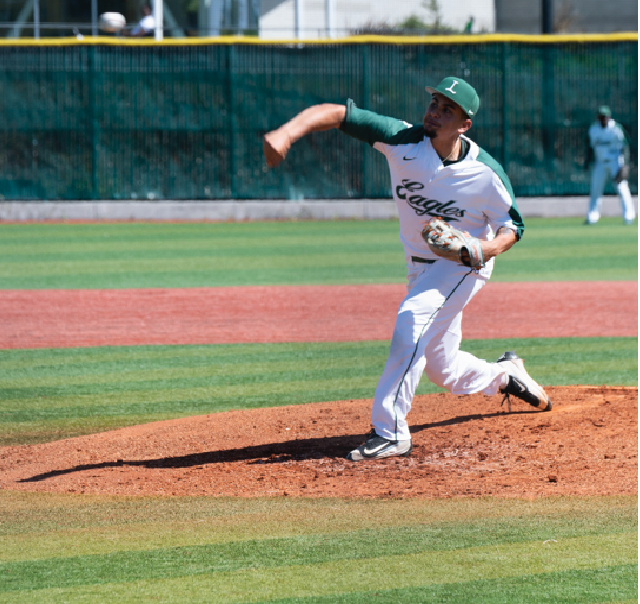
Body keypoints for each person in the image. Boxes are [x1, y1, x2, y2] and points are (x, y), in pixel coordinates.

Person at [263, 76, 552, 462]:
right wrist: (286, 133)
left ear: (464, 124)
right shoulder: (402, 139)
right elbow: (338, 114)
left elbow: (512, 226)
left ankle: (390, 432)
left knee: (411, 321)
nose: (435, 112)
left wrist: (484, 248)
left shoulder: (485, 172)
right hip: (419, 267)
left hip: (463, 265)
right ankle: (505, 375)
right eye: (434, 103)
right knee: (443, 370)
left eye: (447, 109)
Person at [585, 105, 635, 225]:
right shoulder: (593, 129)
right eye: (601, 117)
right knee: (595, 189)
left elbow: (625, 146)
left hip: (615, 162)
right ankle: (593, 216)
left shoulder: (616, 128)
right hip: (600, 163)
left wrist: (625, 165)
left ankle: (629, 216)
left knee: (621, 188)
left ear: (609, 117)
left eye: (605, 116)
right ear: (598, 117)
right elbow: (590, 147)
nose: (603, 119)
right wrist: (587, 162)